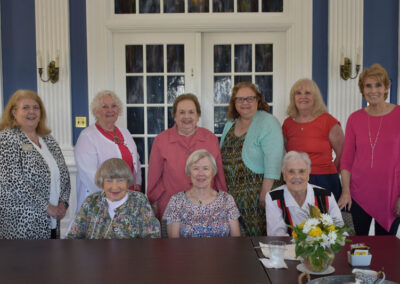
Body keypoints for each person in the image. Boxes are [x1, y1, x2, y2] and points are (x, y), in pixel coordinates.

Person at [0, 90, 71, 239]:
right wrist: (46, 207)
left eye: (36, 107)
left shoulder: (47, 139)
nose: (32, 112)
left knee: (51, 261)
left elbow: (64, 174)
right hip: (22, 220)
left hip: (52, 217)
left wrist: (63, 203)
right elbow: (13, 180)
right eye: (25, 107)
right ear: (14, 112)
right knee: (26, 262)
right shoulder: (7, 137)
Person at [340, 63, 400, 235]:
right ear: (362, 90)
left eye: (378, 85)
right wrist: (345, 192)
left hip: (391, 195)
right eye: (368, 86)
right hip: (358, 194)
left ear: (386, 87)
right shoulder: (354, 119)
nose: (373, 90)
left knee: (386, 249)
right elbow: (346, 160)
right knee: (357, 247)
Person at [147, 94, 227, 220]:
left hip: (207, 205)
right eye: (182, 112)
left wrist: (222, 199)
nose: (186, 117)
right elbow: (154, 177)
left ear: (198, 115)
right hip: (171, 207)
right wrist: (155, 201)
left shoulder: (210, 139)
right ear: (174, 116)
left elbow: (219, 175)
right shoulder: (161, 140)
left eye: (191, 112)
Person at [220, 82, 284, 236]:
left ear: (258, 100)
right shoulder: (230, 124)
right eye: (240, 99)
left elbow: (274, 159)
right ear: (234, 103)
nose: (245, 103)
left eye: (250, 98)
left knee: (259, 242)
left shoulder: (268, 122)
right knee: (237, 242)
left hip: (258, 195)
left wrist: (265, 193)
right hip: (233, 196)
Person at [74, 90, 141, 213]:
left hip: (129, 196)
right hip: (102, 201)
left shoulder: (125, 132)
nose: (110, 110)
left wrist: (137, 185)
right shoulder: (87, 136)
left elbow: (135, 161)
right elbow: (90, 176)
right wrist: (113, 199)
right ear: (96, 111)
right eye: (105, 106)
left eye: (114, 106)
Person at [282, 78, 344, 201]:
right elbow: (285, 153)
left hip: (324, 180)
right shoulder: (287, 124)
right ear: (293, 98)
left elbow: (342, 154)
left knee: (323, 220)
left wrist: (328, 171)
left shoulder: (328, 121)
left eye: (308, 93)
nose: (302, 96)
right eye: (298, 93)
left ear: (315, 97)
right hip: (296, 180)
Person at [67, 158, 160, 239]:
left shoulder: (139, 201)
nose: (114, 187)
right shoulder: (91, 201)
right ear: (102, 182)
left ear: (127, 181)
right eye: (109, 181)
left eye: (120, 180)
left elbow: (152, 237)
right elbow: (74, 237)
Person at [163, 149, 240, 238]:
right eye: (196, 168)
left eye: (205, 168)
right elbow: (173, 244)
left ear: (213, 171)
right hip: (186, 252)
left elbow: (236, 241)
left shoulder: (227, 199)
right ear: (189, 171)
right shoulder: (176, 201)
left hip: (222, 252)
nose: (200, 173)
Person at [266, 151, 343, 236]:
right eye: (291, 171)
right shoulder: (273, 198)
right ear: (284, 175)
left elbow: (340, 231)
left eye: (302, 171)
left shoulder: (326, 197)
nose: (297, 176)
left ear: (308, 174)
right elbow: (276, 235)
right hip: (287, 248)